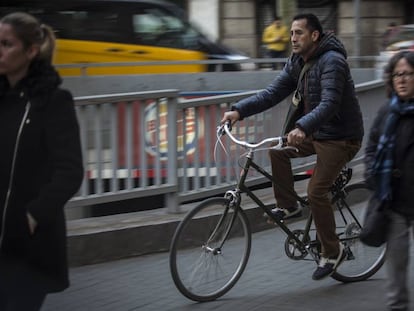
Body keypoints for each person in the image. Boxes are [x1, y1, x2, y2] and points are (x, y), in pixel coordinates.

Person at [221, 13, 363, 280]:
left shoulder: (333, 61)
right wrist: (239, 111)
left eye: (298, 33)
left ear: (314, 36)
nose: (292, 39)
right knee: (277, 151)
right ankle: (289, 206)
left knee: (316, 191)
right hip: (316, 133)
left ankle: (333, 252)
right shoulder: (297, 62)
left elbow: (330, 104)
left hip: (340, 137)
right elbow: (272, 93)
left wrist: (303, 127)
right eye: (291, 34)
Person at [0, 12, 83, 311]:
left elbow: (70, 171)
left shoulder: (53, 101)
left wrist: (32, 216)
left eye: (6, 44)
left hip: (28, 248)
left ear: (31, 50)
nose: (0, 51)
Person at [364, 51, 414, 311]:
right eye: (397, 74)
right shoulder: (387, 111)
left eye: (408, 74)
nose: (402, 80)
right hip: (394, 203)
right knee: (396, 279)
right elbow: (372, 147)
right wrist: (373, 173)